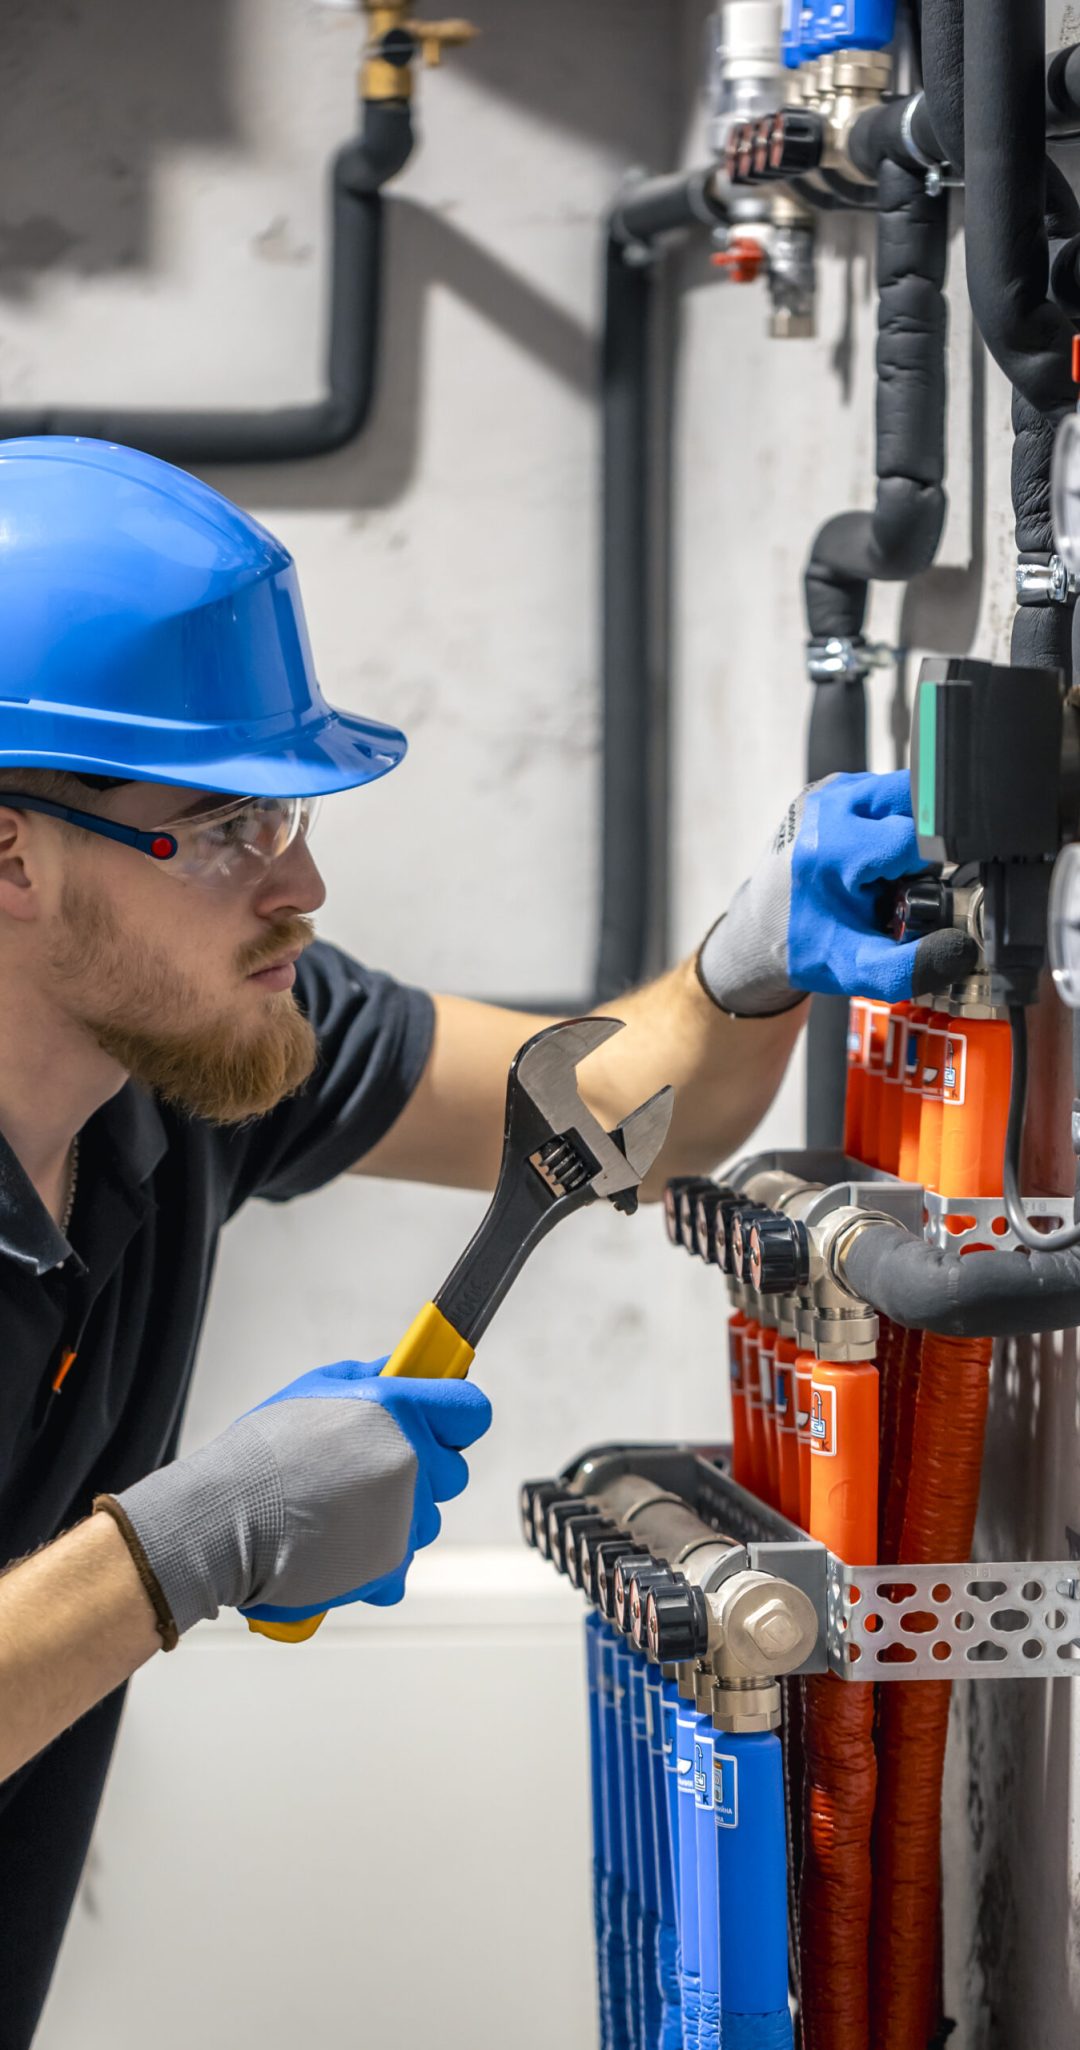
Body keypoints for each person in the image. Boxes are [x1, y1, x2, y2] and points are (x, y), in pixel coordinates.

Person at [0, 435, 970, 2039]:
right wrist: (181, 1548)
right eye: (226, 823)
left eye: (290, 813)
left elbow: (604, 1107)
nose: (302, 880)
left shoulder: (193, 1065)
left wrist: (741, 966)